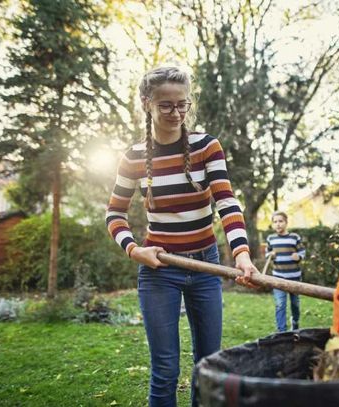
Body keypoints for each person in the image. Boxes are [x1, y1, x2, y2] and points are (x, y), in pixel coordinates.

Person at [105, 65, 258, 407]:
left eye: (182, 105)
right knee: (165, 370)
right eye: (166, 106)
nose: (176, 113)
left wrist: (242, 253)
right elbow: (114, 213)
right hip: (160, 271)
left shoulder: (207, 146)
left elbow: (226, 202)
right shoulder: (133, 157)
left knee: (208, 366)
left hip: (206, 267)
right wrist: (133, 250)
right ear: (147, 103)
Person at [265, 211, 306, 332]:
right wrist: (270, 255)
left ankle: (295, 322)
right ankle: (281, 331)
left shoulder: (294, 237)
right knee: (280, 304)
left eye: (280, 221)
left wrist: (298, 256)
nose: (278, 224)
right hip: (278, 278)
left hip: (294, 278)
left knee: (295, 304)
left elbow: (302, 252)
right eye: (275, 222)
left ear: (286, 223)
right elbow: (267, 254)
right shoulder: (271, 239)